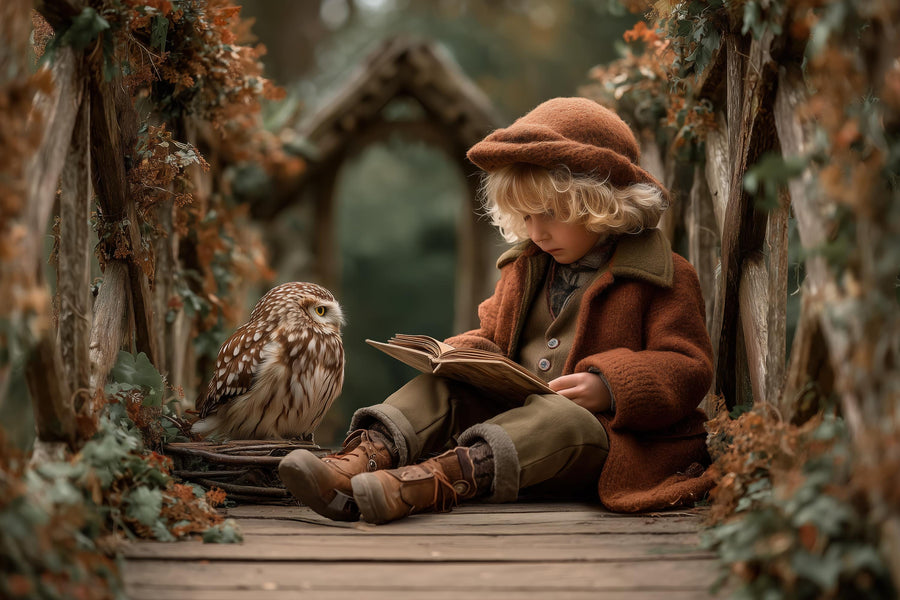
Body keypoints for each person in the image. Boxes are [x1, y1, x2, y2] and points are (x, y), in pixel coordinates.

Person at [278, 97, 714, 524]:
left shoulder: (662, 275)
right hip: (512, 423)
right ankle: (358, 462)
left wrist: (612, 386)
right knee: (441, 386)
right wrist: (456, 359)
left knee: (563, 419)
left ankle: (426, 482)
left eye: (550, 213)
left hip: (605, 445)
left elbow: (687, 366)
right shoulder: (525, 269)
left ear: (602, 204)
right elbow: (494, 336)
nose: (537, 231)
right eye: (525, 217)